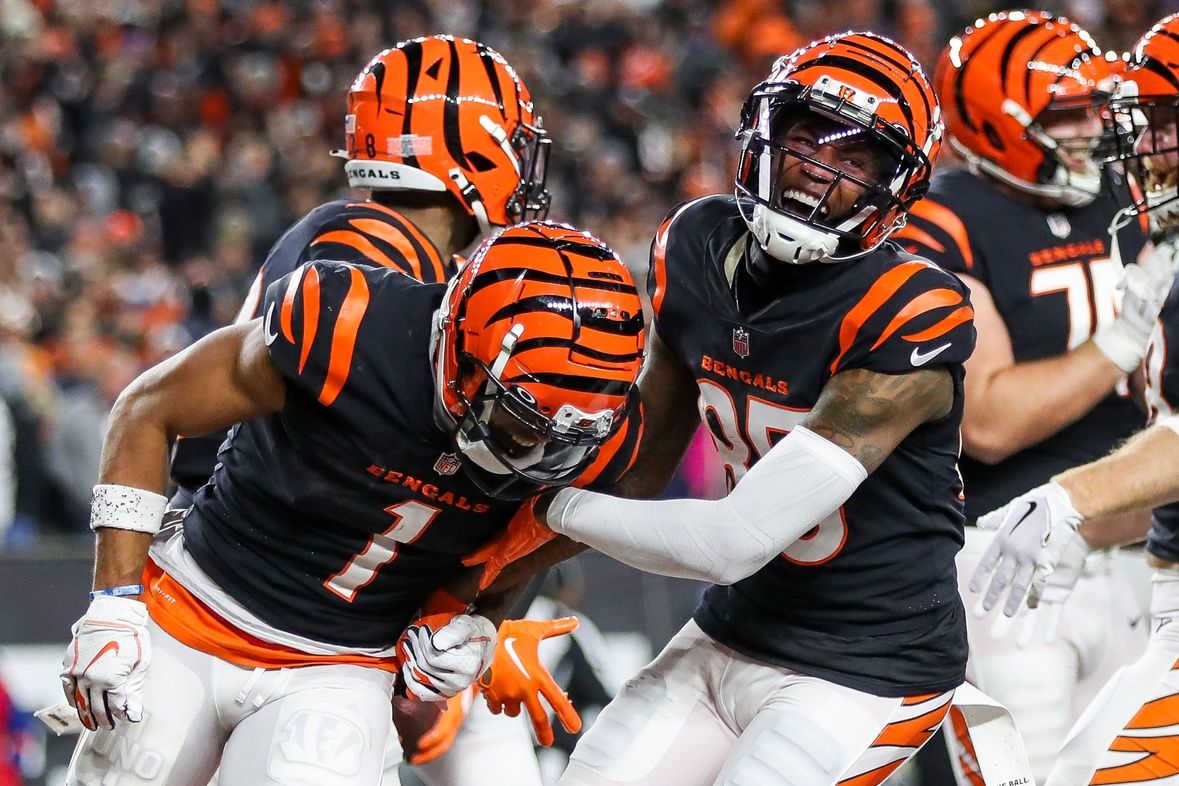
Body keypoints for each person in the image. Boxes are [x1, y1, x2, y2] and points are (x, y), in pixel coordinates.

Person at [490, 31, 974, 785]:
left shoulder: (908, 308)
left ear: (895, 190)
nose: (817, 172)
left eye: (853, 161)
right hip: (735, 627)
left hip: (869, 665)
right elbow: (641, 462)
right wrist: (489, 600)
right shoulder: (692, 242)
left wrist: (544, 509)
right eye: (806, 138)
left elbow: (733, 539)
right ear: (764, 136)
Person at [58, 220, 646, 786]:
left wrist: (471, 625)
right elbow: (147, 410)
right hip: (193, 603)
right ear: (464, 357)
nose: (536, 455)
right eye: (521, 423)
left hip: (342, 664)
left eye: (561, 439)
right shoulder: (347, 324)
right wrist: (114, 600)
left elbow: (513, 546)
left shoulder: (603, 443)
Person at [162, 35, 570, 786]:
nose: (524, 160)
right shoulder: (381, 273)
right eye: (509, 140)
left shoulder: (359, 244)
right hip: (315, 608)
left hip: (327, 585)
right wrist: (475, 619)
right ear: (472, 150)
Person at [892, 12, 1153, 781]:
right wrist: (1117, 344)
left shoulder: (1130, 190)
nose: (1087, 130)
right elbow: (992, 422)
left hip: (1151, 562)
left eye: (1091, 110)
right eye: (1063, 115)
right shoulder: (940, 221)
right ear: (994, 124)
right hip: (1015, 576)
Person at [170, 34, 552, 501]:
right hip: (243, 531)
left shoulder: (372, 237)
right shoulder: (365, 245)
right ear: (471, 151)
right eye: (514, 143)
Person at [970, 13, 1179, 785]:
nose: (1145, 146)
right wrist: (1084, 531)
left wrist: (1065, 500)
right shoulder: (1164, 246)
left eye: (1166, 120)